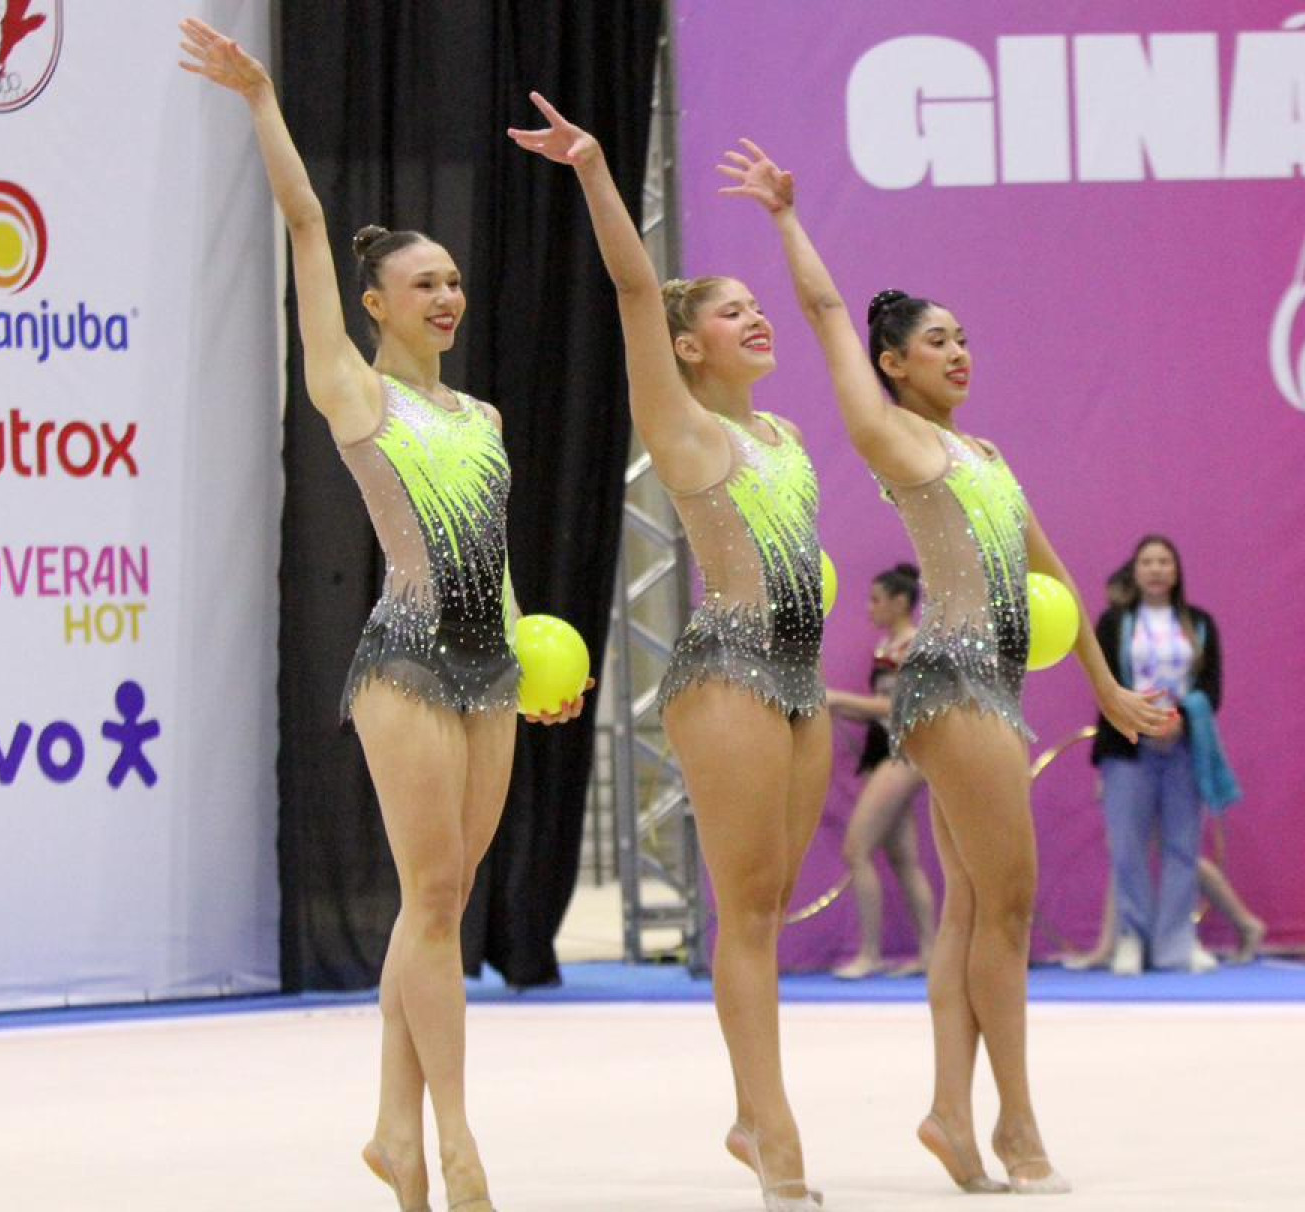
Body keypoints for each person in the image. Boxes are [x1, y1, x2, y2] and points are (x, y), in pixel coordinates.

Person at [179, 22, 584, 1212]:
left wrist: (534, 657)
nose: (449, 297)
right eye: (426, 285)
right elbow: (306, 225)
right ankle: (454, 1140)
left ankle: (391, 1132)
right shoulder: (350, 390)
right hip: (405, 662)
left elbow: (496, 562)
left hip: (489, 667)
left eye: (456, 282)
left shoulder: (489, 420)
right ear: (376, 304)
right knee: (434, 897)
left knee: (440, 902)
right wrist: (261, 103)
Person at [720, 139, 1171, 1195]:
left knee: (974, 912)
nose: (959, 352)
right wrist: (788, 218)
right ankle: (1017, 1128)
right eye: (936, 342)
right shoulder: (897, 443)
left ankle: (952, 1117)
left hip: (994, 687)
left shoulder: (989, 457)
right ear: (896, 367)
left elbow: (1047, 562)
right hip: (955, 684)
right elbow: (833, 319)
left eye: (965, 337)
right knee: (1005, 910)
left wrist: (1102, 685)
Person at [509, 99, 829, 1210]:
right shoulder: (683, 426)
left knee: (772, 905)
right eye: (732, 313)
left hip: (797, 681)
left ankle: (753, 1110)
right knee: (742, 912)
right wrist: (598, 169)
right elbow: (638, 290)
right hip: (730, 672)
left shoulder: (782, 435)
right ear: (690, 347)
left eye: (757, 309)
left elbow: (822, 308)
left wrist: (789, 224)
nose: (756, 320)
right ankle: (771, 1129)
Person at [1082, 537, 1230, 974]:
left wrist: (1181, 717)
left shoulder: (1199, 623)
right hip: (1128, 749)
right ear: (1136, 570)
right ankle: (1132, 937)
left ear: (1177, 570)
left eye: (1165, 561)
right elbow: (1104, 685)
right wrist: (1140, 720)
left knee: (1183, 847)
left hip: (1183, 748)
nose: (1156, 569)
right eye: (1147, 562)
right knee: (1127, 847)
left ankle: (1176, 943)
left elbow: (1211, 686)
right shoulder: (1114, 623)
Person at [824, 563, 937, 979]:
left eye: (876, 600)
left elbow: (899, 709)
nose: (869, 608)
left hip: (905, 755)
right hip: (885, 752)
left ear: (900, 602)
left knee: (856, 849)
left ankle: (870, 952)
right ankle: (931, 950)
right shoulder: (887, 647)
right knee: (904, 858)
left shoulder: (913, 647)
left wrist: (836, 699)